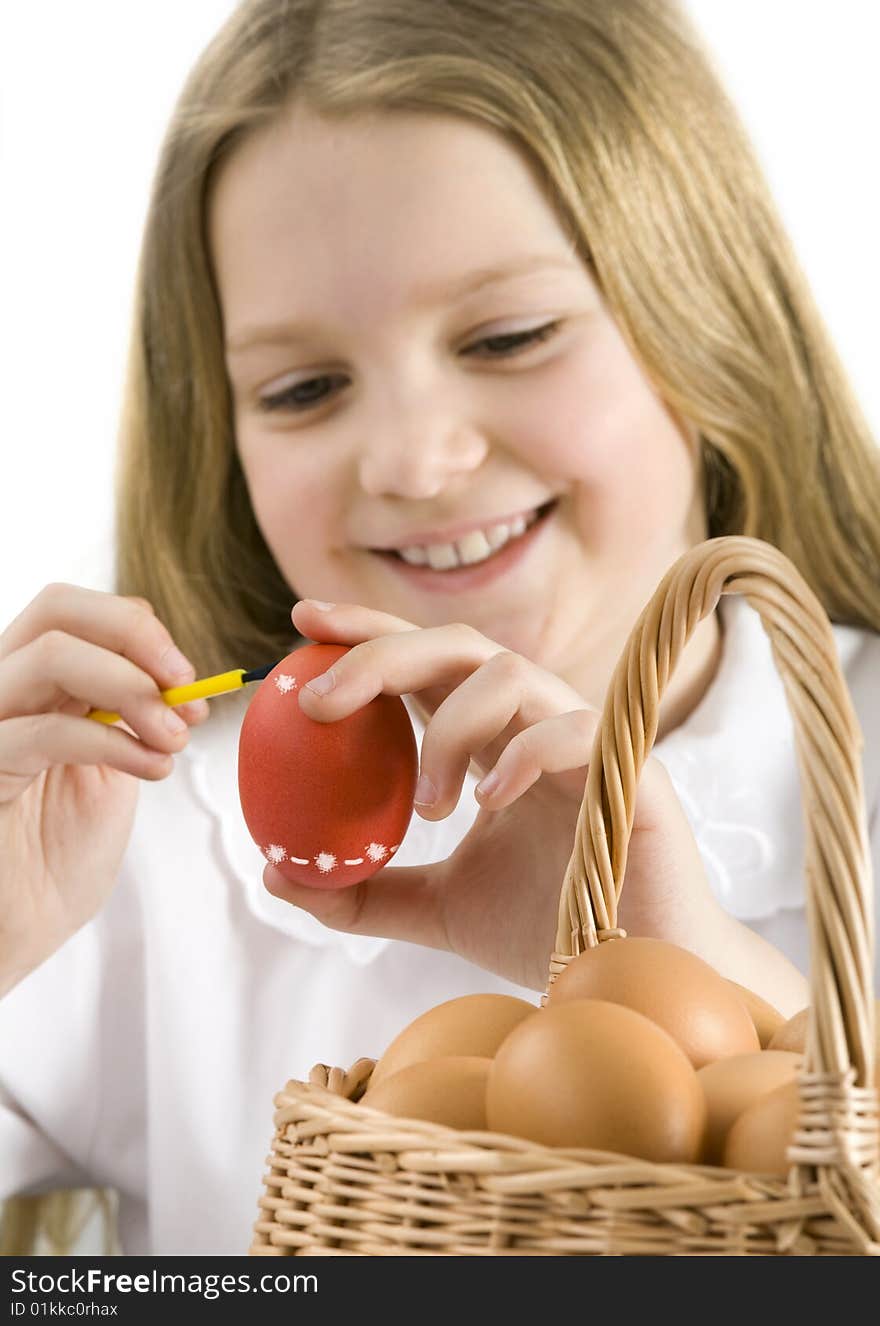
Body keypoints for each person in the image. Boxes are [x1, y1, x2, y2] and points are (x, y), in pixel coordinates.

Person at [1, 0, 878, 1257]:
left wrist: (697, 987)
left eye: (509, 336)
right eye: (303, 388)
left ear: (711, 320)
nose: (414, 462)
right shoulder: (128, 858)